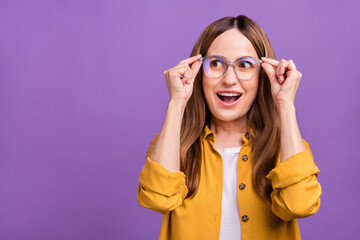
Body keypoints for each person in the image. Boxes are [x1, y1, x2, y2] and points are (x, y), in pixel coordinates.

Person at [137, 15, 321, 240]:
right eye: (216, 63)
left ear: (263, 76)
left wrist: (284, 103)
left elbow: (301, 205)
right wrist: (177, 102)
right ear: (198, 73)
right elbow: (156, 199)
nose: (229, 79)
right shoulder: (175, 146)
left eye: (244, 65)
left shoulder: (288, 148)